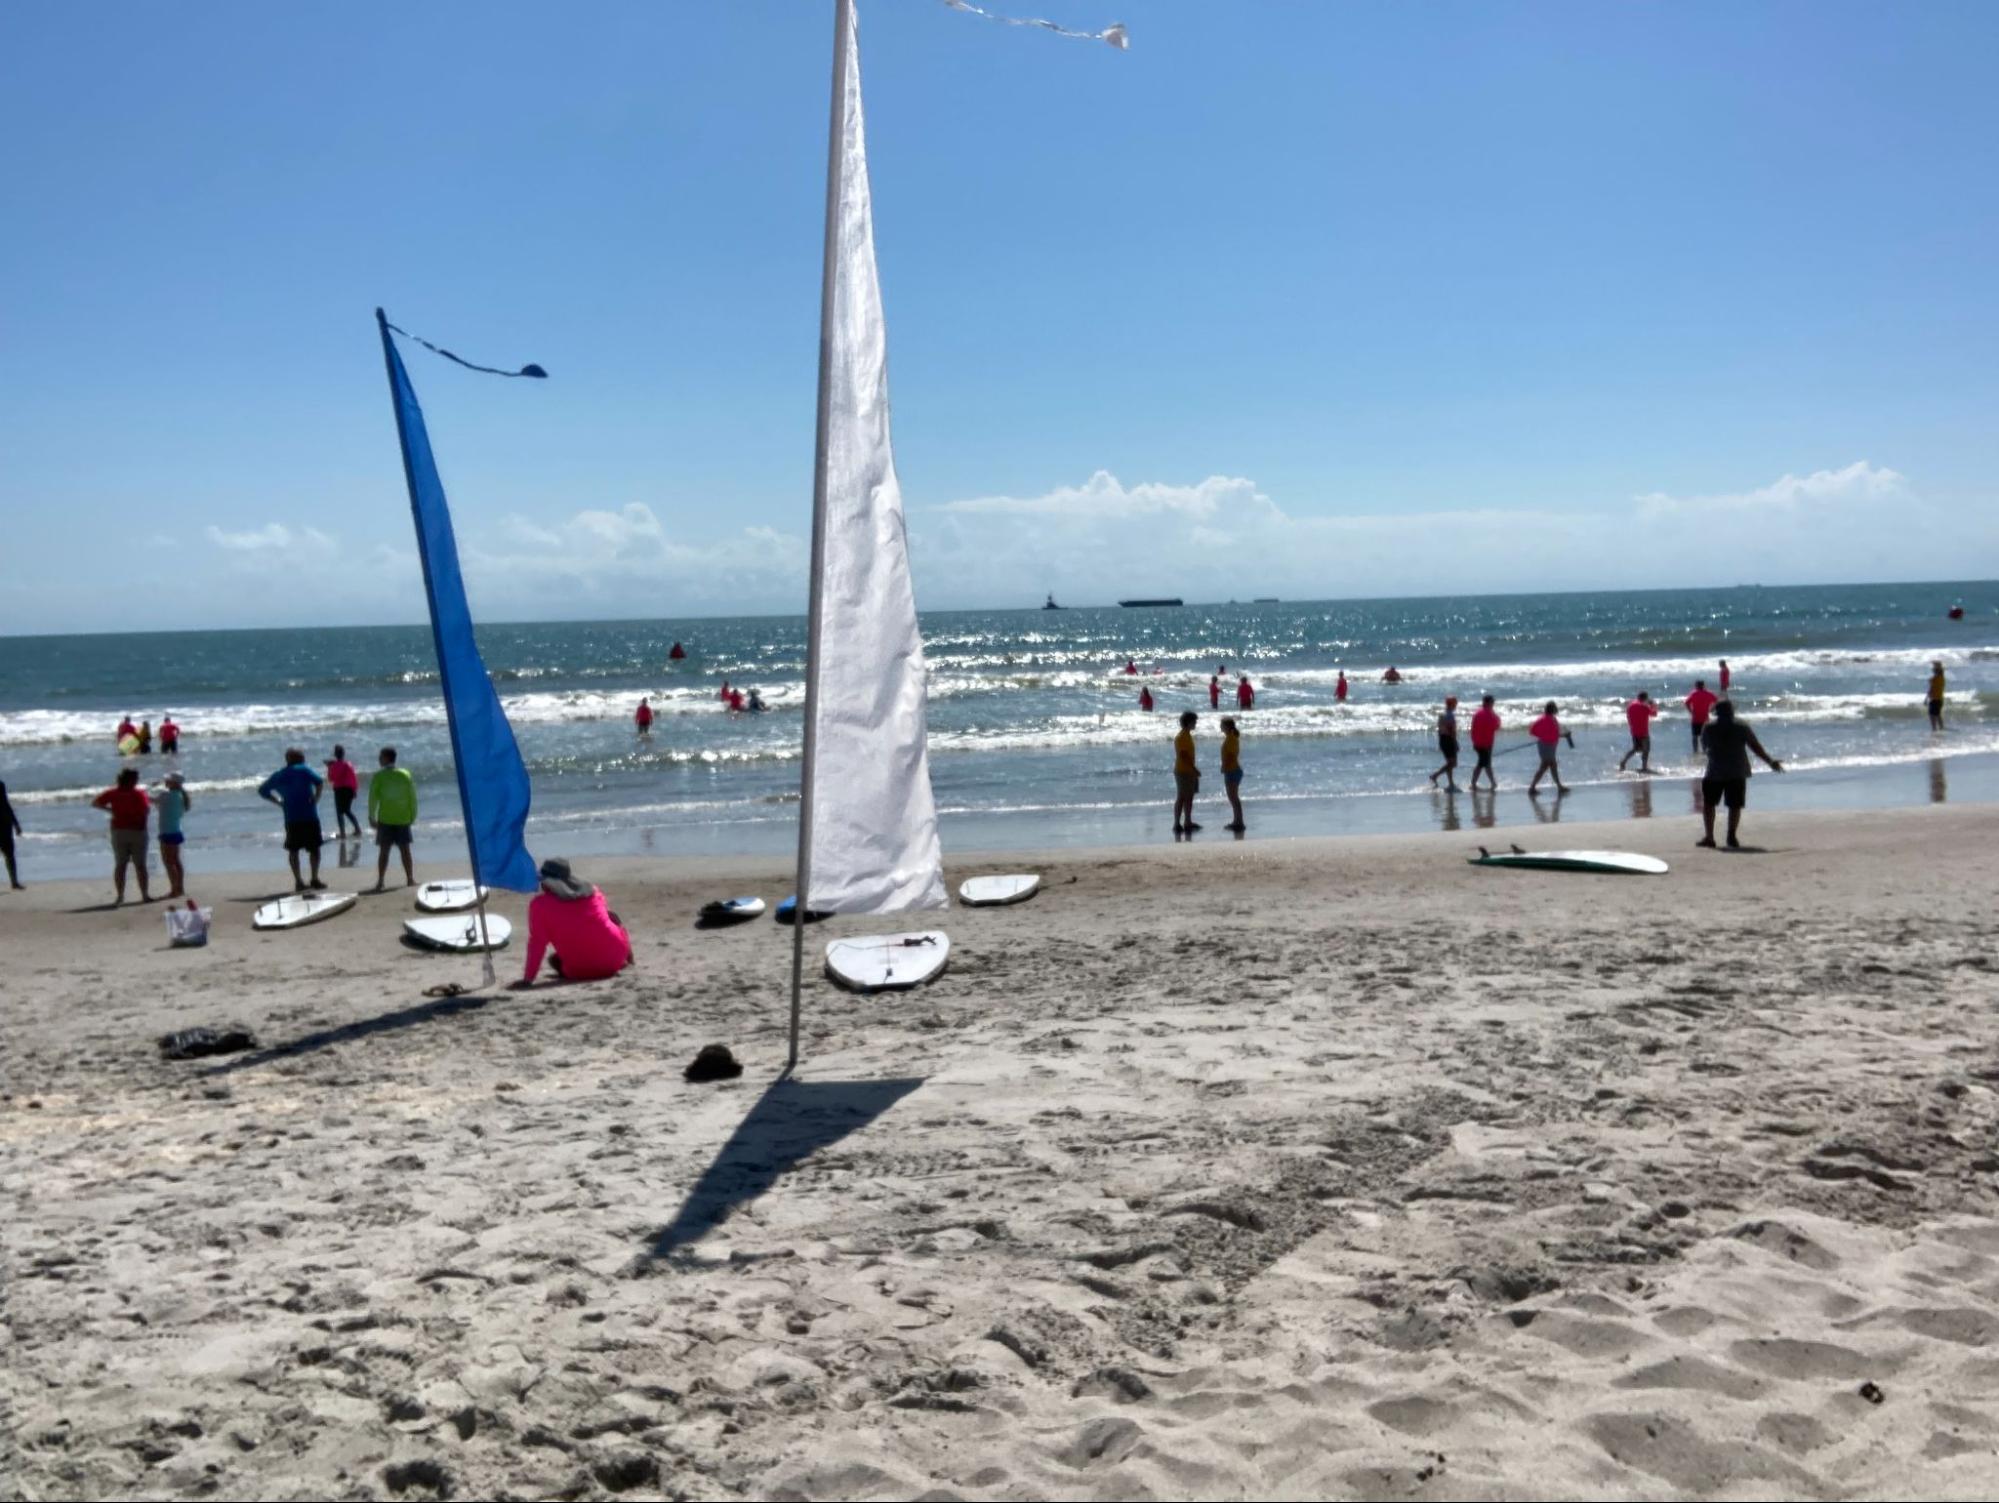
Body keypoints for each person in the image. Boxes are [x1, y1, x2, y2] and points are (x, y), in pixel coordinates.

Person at [514, 858, 633, 987]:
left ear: (546, 882)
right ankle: (629, 959)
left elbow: (537, 943)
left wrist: (528, 979)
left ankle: (587, 966)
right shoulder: (593, 893)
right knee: (612, 917)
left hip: (578, 970)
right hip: (614, 961)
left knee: (554, 960)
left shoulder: (539, 905)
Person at [1698, 699, 1783, 849]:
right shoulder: (1742, 726)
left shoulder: (1708, 727)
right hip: (1738, 770)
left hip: (1715, 770)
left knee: (1709, 804)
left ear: (1716, 712)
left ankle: (1710, 837)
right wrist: (1770, 762)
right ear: (1732, 711)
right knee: (1734, 805)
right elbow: (1756, 747)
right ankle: (1731, 835)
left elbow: (1704, 747)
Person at [258, 748, 326, 892]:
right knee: (314, 848)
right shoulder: (304, 769)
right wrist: (317, 797)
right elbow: (319, 782)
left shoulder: (279, 775)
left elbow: (262, 791)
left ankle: (299, 881)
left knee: (293, 850)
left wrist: (278, 801)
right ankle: (314, 878)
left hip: (291, 817)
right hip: (309, 815)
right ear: (300, 759)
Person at [92, 766, 152, 904]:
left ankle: (120, 896)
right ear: (131, 780)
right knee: (140, 865)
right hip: (137, 830)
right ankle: (144, 894)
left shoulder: (113, 793)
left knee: (121, 864)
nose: (137, 780)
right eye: (136, 778)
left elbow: (95, 803)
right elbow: (146, 810)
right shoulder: (138, 794)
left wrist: (111, 810)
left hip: (119, 830)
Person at [368, 746, 418, 891]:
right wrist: (412, 815)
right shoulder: (405, 774)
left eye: (380, 757)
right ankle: (410, 879)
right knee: (405, 850)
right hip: (403, 818)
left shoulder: (379, 776)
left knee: (384, 851)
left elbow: (373, 799)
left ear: (386, 758)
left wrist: (372, 816)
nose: (378, 759)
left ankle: (381, 881)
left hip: (386, 819)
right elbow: (412, 797)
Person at [156, 770, 191, 899]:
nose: (166, 781)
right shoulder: (181, 796)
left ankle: (174, 889)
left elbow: (152, 800)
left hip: (167, 831)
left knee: (168, 862)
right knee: (176, 861)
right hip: (176, 831)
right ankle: (180, 888)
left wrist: (144, 791)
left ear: (173, 783)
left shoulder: (166, 795)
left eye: (168, 780)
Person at [1527, 700, 1573, 795]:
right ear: (1552, 709)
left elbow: (1555, 734)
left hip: (1551, 746)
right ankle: (1532, 787)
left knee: (1552, 766)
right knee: (1545, 766)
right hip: (1545, 746)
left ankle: (1559, 787)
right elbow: (1532, 731)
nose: (1556, 709)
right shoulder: (1543, 719)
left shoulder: (1553, 719)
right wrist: (1543, 736)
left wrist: (1564, 735)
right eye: (1555, 708)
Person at [1173, 711, 1202, 834]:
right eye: (1194, 721)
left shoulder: (1187, 735)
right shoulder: (1181, 737)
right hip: (1183, 771)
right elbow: (1183, 756)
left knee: (1189, 797)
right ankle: (1177, 823)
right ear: (1188, 722)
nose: (1195, 724)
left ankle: (1188, 821)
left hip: (1189, 771)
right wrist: (1194, 769)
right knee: (1182, 797)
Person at [325, 744, 362, 838]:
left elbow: (331, 779)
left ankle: (342, 833)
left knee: (339, 812)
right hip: (349, 789)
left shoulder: (334, 765)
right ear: (343, 754)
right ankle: (357, 829)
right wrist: (354, 790)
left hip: (339, 790)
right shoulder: (348, 764)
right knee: (347, 810)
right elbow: (354, 778)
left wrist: (329, 767)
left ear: (335, 754)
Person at [1618, 691, 1661, 772]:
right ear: (1645, 698)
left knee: (1635, 749)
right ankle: (1644, 767)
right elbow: (1654, 714)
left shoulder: (1630, 706)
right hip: (1643, 731)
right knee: (1646, 749)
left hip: (1634, 730)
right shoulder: (1644, 707)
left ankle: (1623, 761)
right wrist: (1654, 705)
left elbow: (1628, 717)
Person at [1468, 694, 1501, 790]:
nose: (1493, 704)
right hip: (1486, 744)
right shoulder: (1490, 714)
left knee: (1484, 763)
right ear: (1489, 703)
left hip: (1477, 742)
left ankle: (1490, 783)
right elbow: (1497, 726)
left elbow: (1473, 728)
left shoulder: (1477, 713)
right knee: (1484, 764)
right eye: (1492, 702)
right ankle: (1476, 784)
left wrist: (1474, 741)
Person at [1219, 716, 1246, 831]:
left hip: (1232, 770)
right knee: (1234, 798)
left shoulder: (1230, 738)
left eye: (1222, 725)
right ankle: (1237, 820)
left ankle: (1238, 821)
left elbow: (1230, 756)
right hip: (1234, 769)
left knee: (1233, 798)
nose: (1220, 727)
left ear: (1226, 726)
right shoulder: (1232, 737)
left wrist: (1224, 766)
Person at [1430, 696, 1461, 791]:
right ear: (1452, 704)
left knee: (1450, 763)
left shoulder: (1442, 714)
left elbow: (1439, 730)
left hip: (1443, 739)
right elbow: (1451, 730)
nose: (1456, 705)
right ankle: (1435, 775)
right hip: (1448, 739)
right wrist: (1455, 742)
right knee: (1453, 763)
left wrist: (1441, 741)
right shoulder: (1450, 715)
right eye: (1455, 703)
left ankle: (1451, 783)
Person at [1684, 678, 1718, 755]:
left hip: (1695, 718)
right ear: (1703, 686)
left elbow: (1686, 703)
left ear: (1696, 686)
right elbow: (1717, 701)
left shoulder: (1694, 694)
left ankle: (1695, 752)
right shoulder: (1708, 694)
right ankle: (1704, 751)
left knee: (1695, 737)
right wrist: (1712, 709)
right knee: (1705, 736)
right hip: (1705, 718)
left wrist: (1690, 711)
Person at [0, 780, 23, 889]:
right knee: (9, 855)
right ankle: (14, 882)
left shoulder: (1, 784)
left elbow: (6, 804)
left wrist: (16, 824)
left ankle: (14, 882)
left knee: (9, 854)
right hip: (4, 823)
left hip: (5, 824)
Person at [1928, 660, 1946, 731]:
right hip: (1937, 698)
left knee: (1933, 715)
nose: (1933, 670)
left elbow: (1931, 685)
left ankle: (1935, 728)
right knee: (1937, 714)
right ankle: (1940, 728)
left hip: (1936, 698)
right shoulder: (1940, 678)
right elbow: (1931, 688)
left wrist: (1936, 665)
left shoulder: (1938, 678)